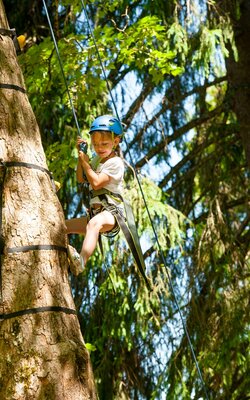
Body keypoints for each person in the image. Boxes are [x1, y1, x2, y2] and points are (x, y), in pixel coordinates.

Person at [66, 115, 125, 275]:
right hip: (95, 213)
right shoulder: (96, 160)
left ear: (116, 141)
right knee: (61, 227)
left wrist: (86, 163)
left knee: (93, 225)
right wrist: (81, 158)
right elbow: (80, 178)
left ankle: (81, 261)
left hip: (112, 213)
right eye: (95, 144)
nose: (99, 147)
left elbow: (97, 182)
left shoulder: (116, 163)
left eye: (104, 144)